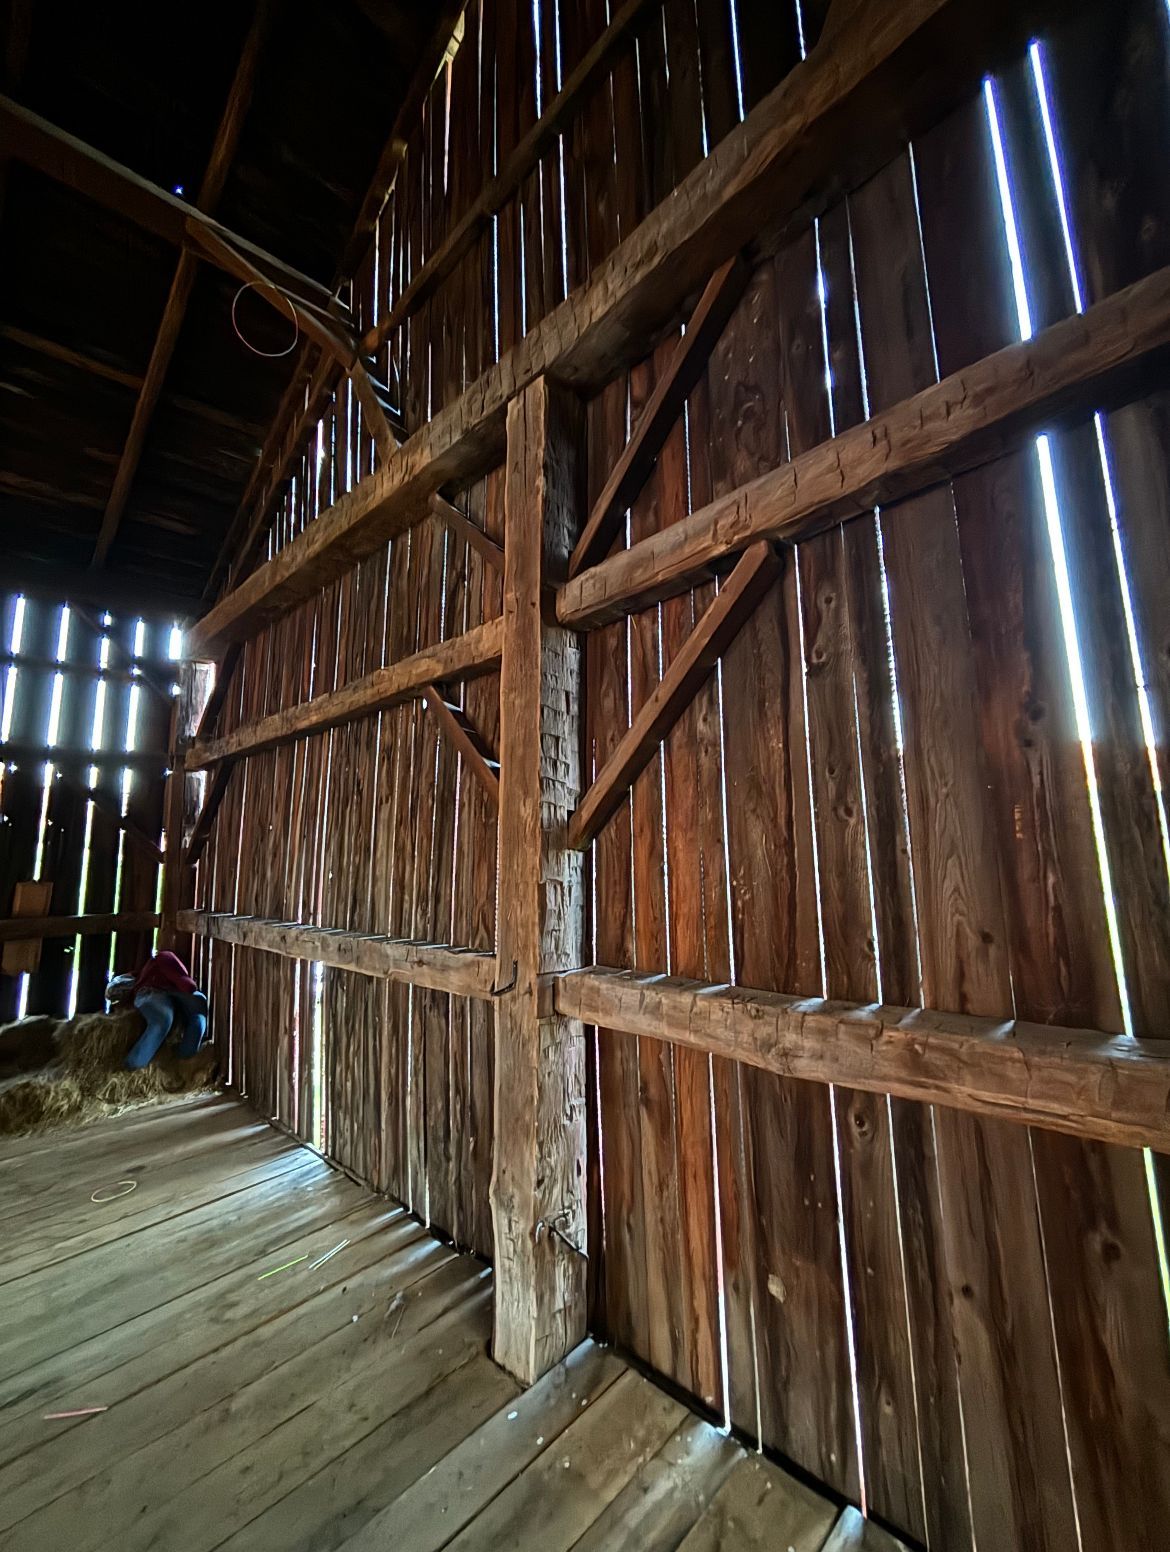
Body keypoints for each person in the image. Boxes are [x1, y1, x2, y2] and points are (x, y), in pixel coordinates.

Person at [121, 951, 209, 1070]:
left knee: (162, 1020)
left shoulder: (161, 958)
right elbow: (188, 986)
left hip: (156, 990)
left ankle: (133, 1064)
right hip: (168, 991)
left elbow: (187, 985)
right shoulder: (158, 963)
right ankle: (186, 1055)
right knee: (197, 1008)